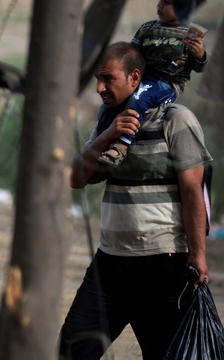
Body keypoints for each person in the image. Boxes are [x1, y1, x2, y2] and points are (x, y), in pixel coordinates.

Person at [60, 42, 212, 359]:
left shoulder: (176, 119)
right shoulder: (108, 124)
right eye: (97, 80)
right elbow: (75, 178)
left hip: (163, 264)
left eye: (108, 79)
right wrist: (106, 136)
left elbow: (192, 191)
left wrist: (198, 256)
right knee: (73, 348)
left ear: (134, 78)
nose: (100, 88)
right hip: (111, 262)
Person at [97, 0, 207, 167]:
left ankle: (121, 146)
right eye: (160, 1)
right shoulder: (147, 28)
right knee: (108, 106)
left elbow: (201, 67)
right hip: (140, 77)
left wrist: (200, 54)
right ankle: (100, 144)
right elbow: (129, 55)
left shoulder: (190, 35)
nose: (160, 5)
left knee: (139, 97)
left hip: (168, 83)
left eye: (167, 2)